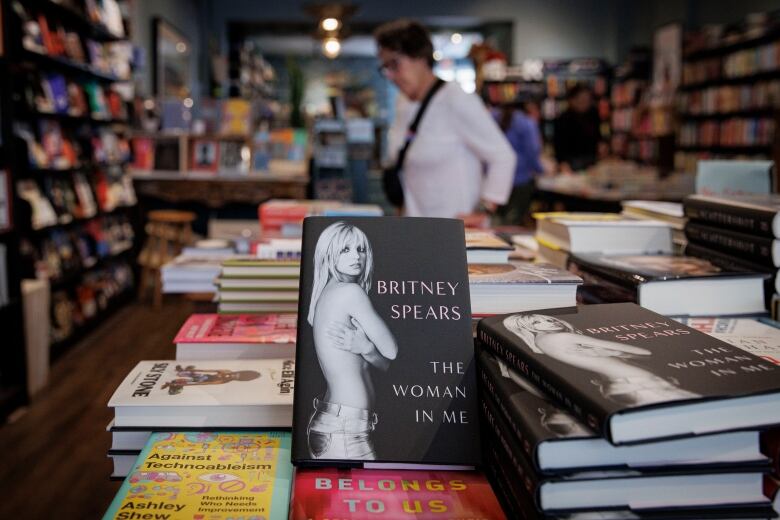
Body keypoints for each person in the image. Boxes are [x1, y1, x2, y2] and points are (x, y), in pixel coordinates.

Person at [375, 19, 515, 218]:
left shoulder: (455, 98)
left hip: (453, 233)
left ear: (420, 57)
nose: (390, 75)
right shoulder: (403, 103)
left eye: (395, 64)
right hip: (416, 228)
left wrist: (483, 210)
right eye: (385, 68)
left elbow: (502, 156)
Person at [306, 221, 398, 460]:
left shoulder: (326, 294)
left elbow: (384, 362)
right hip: (344, 429)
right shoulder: (350, 293)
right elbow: (392, 352)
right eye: (345, 250)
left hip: (337, 422)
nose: (356, 256)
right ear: (328, 254)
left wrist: (365, 348)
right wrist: (368, 348)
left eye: (361, 249)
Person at [502, 314, 699, 406]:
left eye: (543, 317)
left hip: (621, 384)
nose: (548, 320)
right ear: (528, 329)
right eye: (536, 322)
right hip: (639, 382)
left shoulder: (543, 343)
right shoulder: (561, 337)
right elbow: (643, 352)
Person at [493, 101, 544, 225]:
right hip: (521, 180)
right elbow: (532, 153)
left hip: (498, 179)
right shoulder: (527, 124)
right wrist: (541, 170)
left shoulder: (494, 119)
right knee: (512, 222)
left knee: (498, 219)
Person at [553, 84, 603, 172]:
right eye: (582, 100)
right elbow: (558, 144)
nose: (586, 103)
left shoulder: (593, 115)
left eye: (588, 100)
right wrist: (562, 162)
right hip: (571, 163)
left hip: (592, 161)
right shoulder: (563, 119)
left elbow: (598, 137)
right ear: (572, 100)